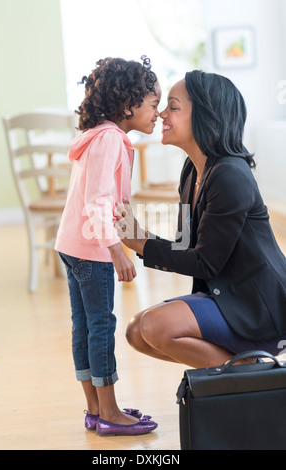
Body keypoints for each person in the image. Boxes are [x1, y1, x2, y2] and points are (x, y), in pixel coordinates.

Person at [115, 70, 286, 370]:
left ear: (205, 116)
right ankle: (247, 370)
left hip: (259, 308)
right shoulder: (190, 171)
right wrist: (138, 237)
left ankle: (254, 374)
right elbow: (186, 247)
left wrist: (140, 241)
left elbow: (206, 263)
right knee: (136, 332)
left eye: (173, 107)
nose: (162, 114)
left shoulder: (230, 175)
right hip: (226, 297)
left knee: (154, 326)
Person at [55, 56, 160, 436]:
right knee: (100, 325)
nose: (158, 112)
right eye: (153, 104)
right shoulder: (110, 140)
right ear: (128, 106)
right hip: (92, 249)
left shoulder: (97, 136)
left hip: (73, 245)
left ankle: (96, 409)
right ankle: (111, 413)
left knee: (84, 325)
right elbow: (98, 201)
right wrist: (116, 249)